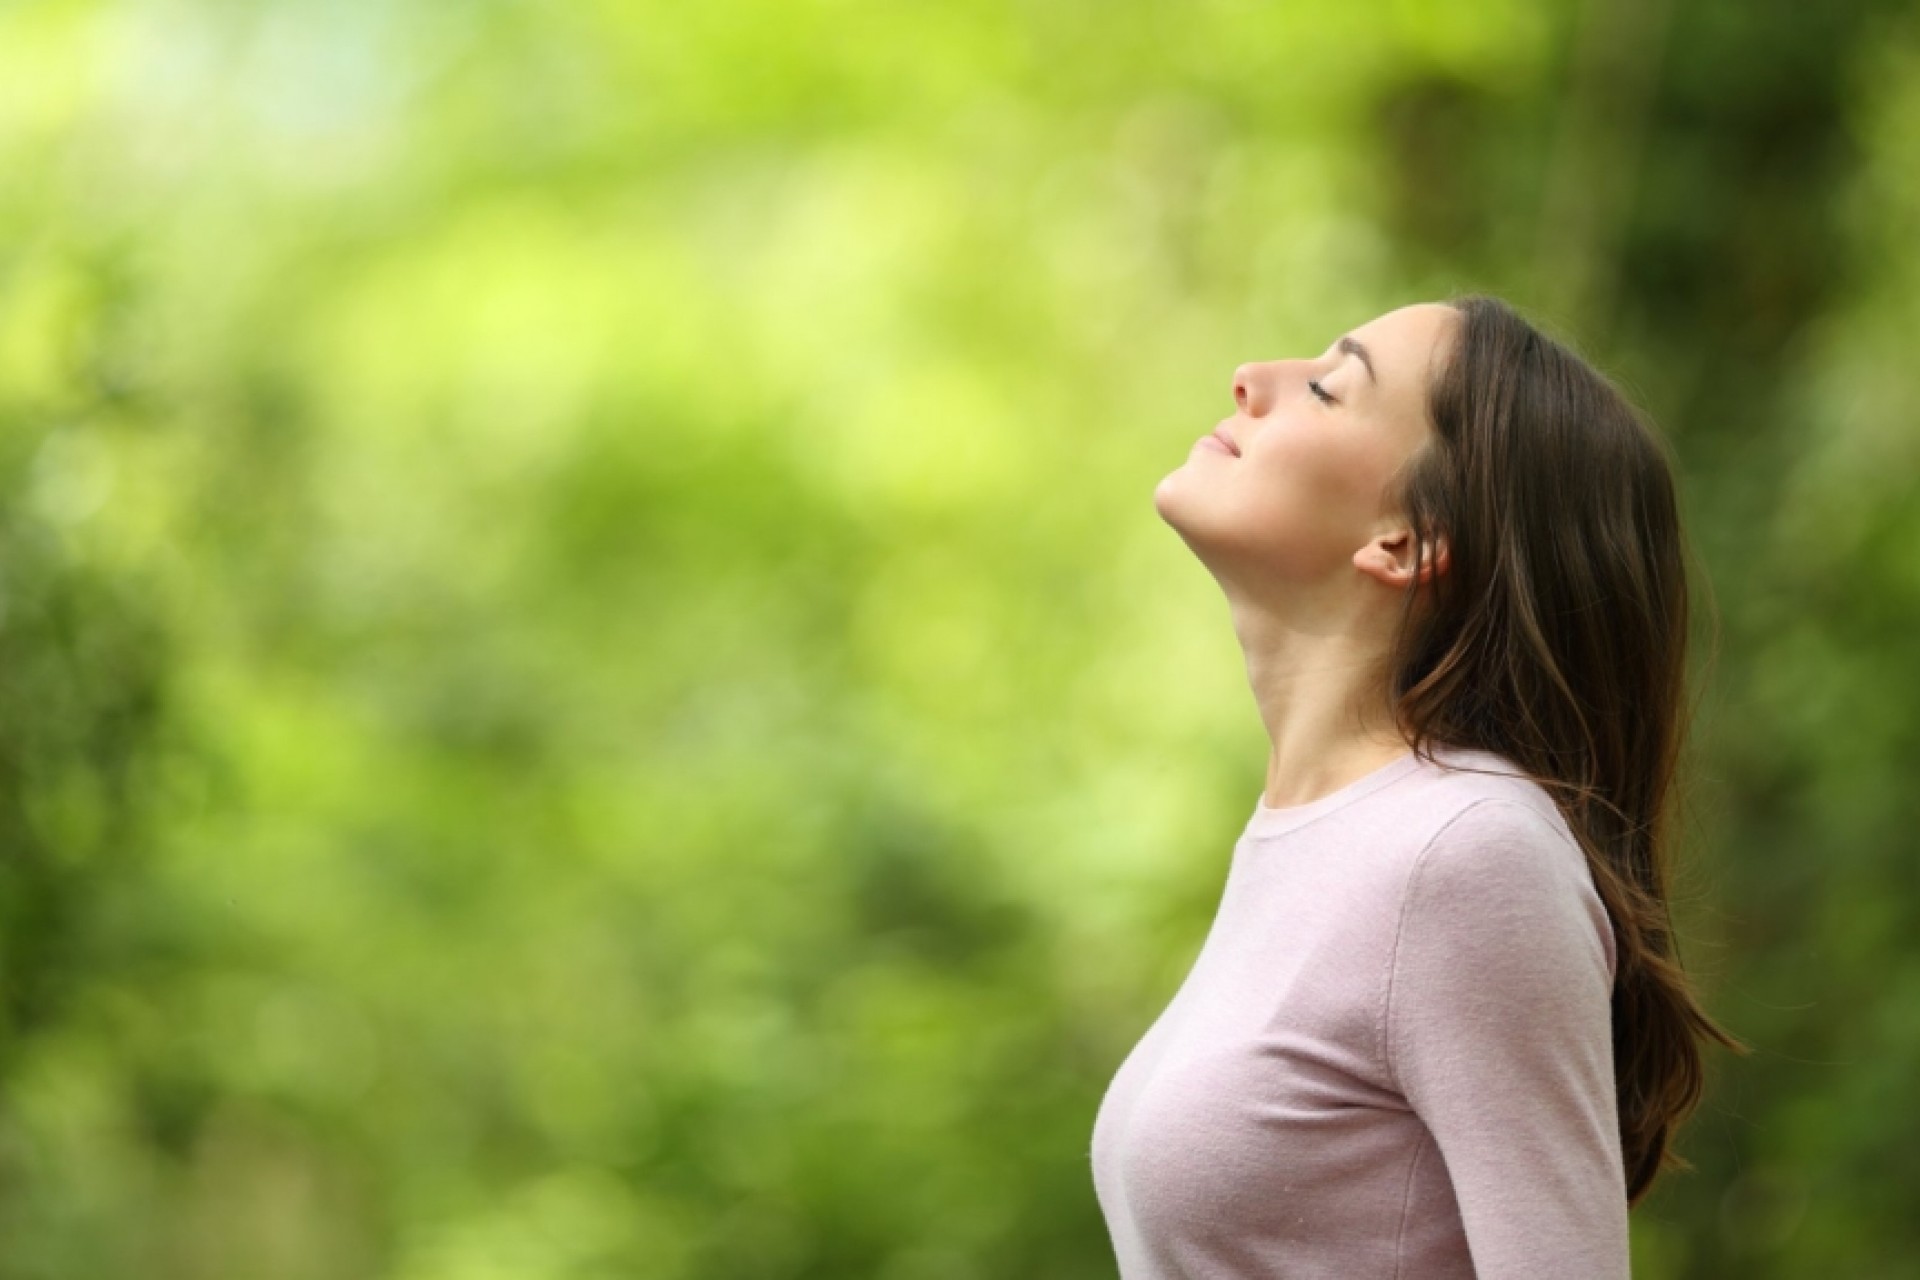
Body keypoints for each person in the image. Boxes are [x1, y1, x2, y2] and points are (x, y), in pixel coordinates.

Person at [1090, 295, 1747, 1278]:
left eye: (1325, 387)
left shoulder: (1465, 851)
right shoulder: (1316, 838)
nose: (1249, 379)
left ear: (1408, 539)